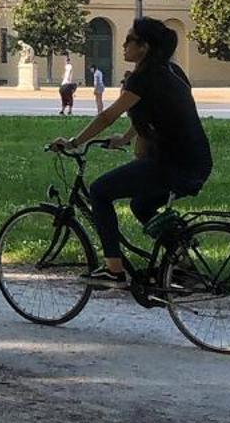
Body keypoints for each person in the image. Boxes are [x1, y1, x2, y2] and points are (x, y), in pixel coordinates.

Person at [52, 17, 213, 287]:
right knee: (141, 205)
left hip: (170, 162)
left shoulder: (142, 78)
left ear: (145, 47)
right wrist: (126, 137)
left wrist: (73, 142)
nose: (124, 45)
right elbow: (164, 111)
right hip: (197, 160)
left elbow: (107, 117)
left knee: (100, 192)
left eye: (130, 40)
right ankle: (182, 263)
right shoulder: (173, 71)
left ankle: (113, 269)